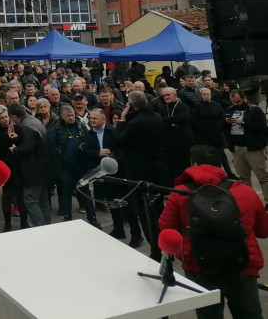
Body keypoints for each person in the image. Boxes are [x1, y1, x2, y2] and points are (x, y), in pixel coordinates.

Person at [159, 145, 268, 319]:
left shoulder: (180, 194)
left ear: (193, 164)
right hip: (243, 266)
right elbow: (263, 231)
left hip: (199, 267)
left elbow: (166, 229)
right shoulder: (246, 192)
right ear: (220, 164)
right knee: (249, 315)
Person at [115, 90, 168, 258]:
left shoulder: (134, 123)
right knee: (159, 210)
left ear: (132, 105)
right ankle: (166, 247)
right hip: (157, 169)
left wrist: (122, 120)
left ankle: (155, 249)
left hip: (139, 171)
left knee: (145, 213)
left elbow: (118, 141)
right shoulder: (156, 117)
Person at [7, 104, 51, 227]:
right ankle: (47, 225)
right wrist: (19, 137)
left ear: (14, 116)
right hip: (43, 167)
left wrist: (14, 149)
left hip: (33, 169)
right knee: (43, 199)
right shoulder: (33, 121)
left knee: (30, 201)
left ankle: (40, 227)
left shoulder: (26, 125)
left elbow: (27, 148)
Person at [225, 88, 268, 203]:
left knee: (263, 176)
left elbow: (262, 128)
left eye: (238, 102)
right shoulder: (230, 109)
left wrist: (243, 123)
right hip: (237, 148)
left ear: (244, 98)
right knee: (244, 178)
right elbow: (222, 128)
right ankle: (250, 202)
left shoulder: (255, 110)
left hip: (254, 149)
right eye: (232, 102)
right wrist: (226, 123)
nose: (235, 104)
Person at [0, 105, 26, 231]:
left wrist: (16, 137)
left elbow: (23, 144)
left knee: (21, 194)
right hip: (5, 166)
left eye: (6, 117)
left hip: (18, 165)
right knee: (7, 194)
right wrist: (8, 137)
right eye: (2, 118)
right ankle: (7, 224)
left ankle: (24, 222)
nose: (5, 120)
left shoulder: (17, 127)